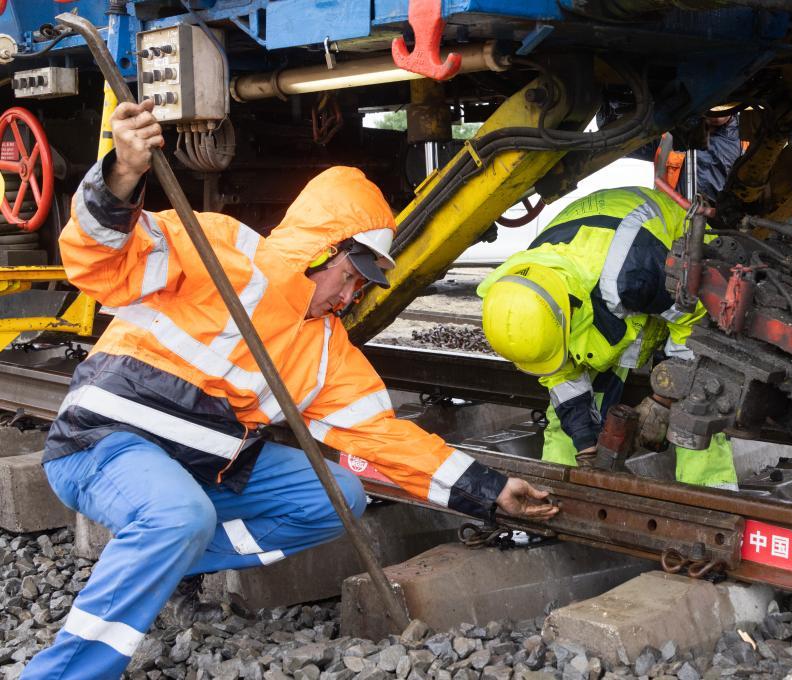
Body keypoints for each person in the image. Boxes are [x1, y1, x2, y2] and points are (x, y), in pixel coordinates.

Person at [23, 99, 556, 680]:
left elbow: (383, 439)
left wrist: (489, 488)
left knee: (338, 497)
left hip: (201, 468)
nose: (351, 296)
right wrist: (123, 174)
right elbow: (98, 262)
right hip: (103, 444)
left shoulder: (325, 351)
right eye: (351, 276)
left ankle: (161, 557)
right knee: (177, 516)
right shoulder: (222, 251)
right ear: (325, 253)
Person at [477, 187, 737, 489]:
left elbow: (698, 326)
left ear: (570, 316)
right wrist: (586, 445)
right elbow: (561, 375)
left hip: (679, 272)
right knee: (568, 419)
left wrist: (665, 397)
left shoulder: (632, 275)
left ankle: (711, 500)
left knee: (695, 405)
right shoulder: (529, 294)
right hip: (611, 286)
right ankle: (556, 495)